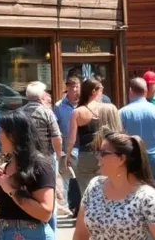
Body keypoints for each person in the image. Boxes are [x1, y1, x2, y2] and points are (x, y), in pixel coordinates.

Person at [73, 130, 155, 240]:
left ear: (122, 159)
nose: (98, 157)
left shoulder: (147, 197)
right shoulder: (94, 187)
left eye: (103, 153)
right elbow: (80, 234)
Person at [0, 112, 54, 239]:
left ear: (14, 135)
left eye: (1, 131)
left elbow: (45, 213)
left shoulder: (40, 166)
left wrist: (12, 191)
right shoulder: (4, 169)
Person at [19, 82, 62, 231]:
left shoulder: (20, 113)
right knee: (49, 195)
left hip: (25, 159)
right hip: (46, 159)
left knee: (27, 193)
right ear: (42, 96)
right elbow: (56, 137)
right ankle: (50, 230)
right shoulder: (46, 113)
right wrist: (58, 154)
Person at [118, 78, 155, 182]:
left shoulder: (122, 113)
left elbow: (118, 138)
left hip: (133, 158)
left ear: (130, 91)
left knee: (135, 189)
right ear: (146, 92)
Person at [66, 78, 104, 196]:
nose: (102, 93)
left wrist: (67, 156)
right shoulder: (105, 109)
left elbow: (72, 139)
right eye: (101, 90)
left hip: (85, 154)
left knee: (86, 191)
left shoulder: (77, 112)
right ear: (93, 92)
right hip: (104, 153)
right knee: (104, 189)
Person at [55, 76, 81, 215]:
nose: (76, 90)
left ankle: (79, 207)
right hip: (67, 148)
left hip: (83, 147)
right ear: (68, 89)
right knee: (69, 178)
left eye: (78, 87)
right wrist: (60, 150)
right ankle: (71, 206)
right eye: (73, 87)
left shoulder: (84, 104)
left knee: (80, 178)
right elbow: (56, 127)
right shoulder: (59, 106)